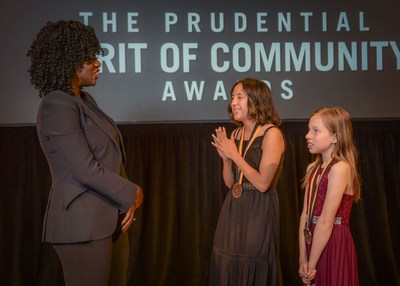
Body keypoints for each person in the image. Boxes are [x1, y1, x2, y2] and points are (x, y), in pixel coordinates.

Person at [27, 20, 144, 286]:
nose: (97, 63)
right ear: (68, 61)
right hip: (82, 226)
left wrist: (124, 201)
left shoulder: (84, 101)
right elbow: (85, 169)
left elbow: (110, 158)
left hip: (108, 221)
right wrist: (132, 193)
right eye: (88, 58)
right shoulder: (57, 104)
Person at [209, 78, 285, 285]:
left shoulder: (272, 134)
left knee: (253, 263)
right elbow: (230, 183)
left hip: (259, 208)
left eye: (240, 97)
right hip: (234, 206)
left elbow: (263, 184)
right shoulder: (236, 133)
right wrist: (226, 160)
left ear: (256, 100)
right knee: (228, 260)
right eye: (232, 97)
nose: (233, 102)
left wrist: (234, 155)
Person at [298, 107, 361, 285]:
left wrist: (312, 263)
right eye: (309, 130)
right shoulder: (312, 168)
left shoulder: (341, 168)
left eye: (315, 131)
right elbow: (305, 215)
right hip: (314, 240)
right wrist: (303, 259)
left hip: (333, 241)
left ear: (335, 137)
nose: (307, 136)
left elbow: (326, 220)